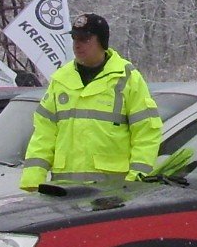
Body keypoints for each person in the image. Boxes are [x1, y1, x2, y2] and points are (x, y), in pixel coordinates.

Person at [20, 13, 162, 190]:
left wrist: (136, 182)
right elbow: (43, 136)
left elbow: (146, 134)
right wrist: (32, 184)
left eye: (85, 38)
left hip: (113, 196)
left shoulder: (127, 78)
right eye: (74, 38)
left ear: (102, 41)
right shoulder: (61, 80)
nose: (77, 44)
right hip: (65, 193)